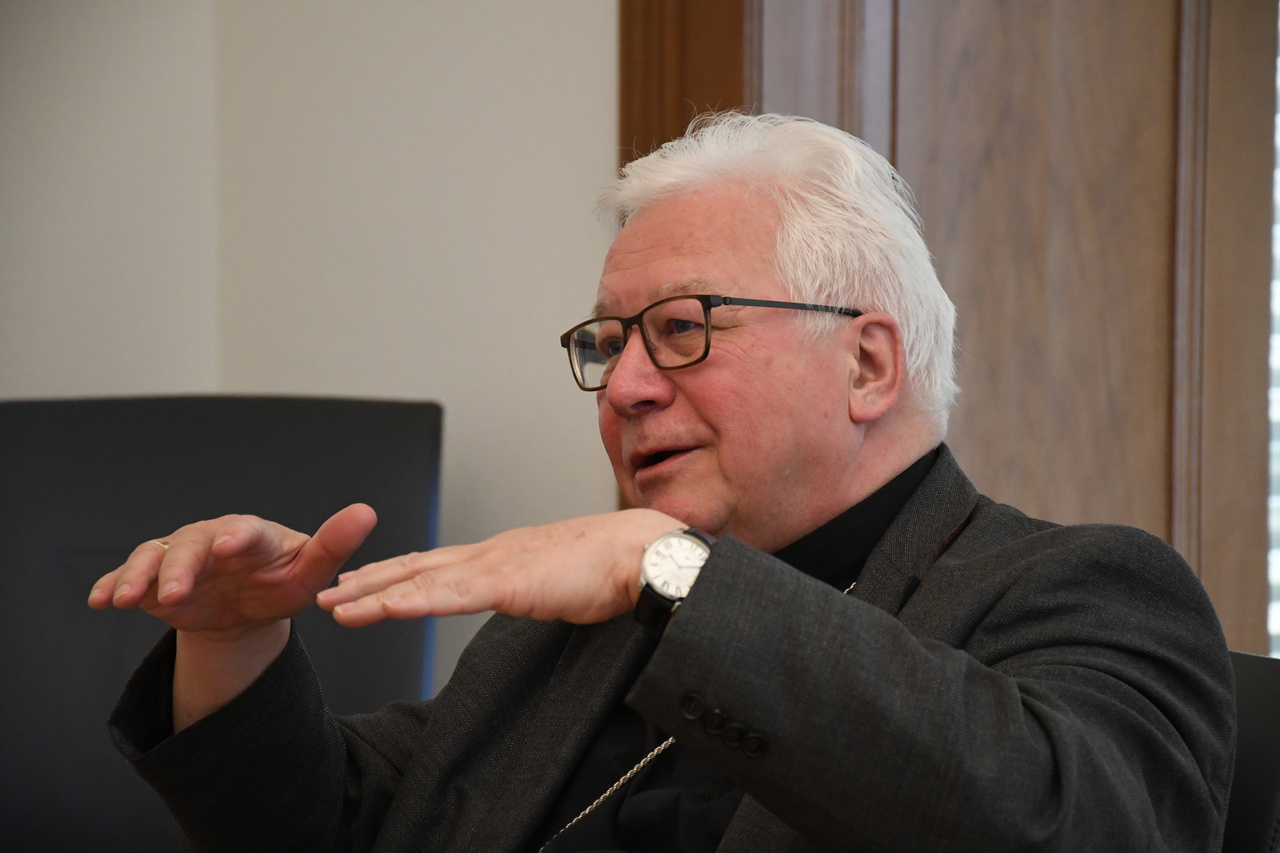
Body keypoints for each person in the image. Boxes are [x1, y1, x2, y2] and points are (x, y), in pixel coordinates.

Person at [89, 113, 1234, 852]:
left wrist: (671, 572)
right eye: (606, 342)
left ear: (867, 364)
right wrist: (232, 643)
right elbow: (350, 823)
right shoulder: (581, 623)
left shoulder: (1079, 586)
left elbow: (1070, 823)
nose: (625, 386)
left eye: (682, 328)